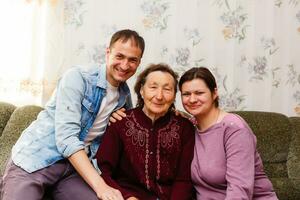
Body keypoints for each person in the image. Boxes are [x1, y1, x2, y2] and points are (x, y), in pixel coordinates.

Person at [1, 29, 145, 200]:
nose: (124, 65)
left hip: (74, 170)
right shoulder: (78, 78)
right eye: (119, 56)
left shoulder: (125, 96)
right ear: (108, 53)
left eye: (132, 60)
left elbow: (136, 128)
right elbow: (66, 138)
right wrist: (101, 187)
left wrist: (172, 112)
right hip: (37, 159)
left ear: (139, 63)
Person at [96, 63, 195, 200]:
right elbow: (103, 170)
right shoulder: (120, 123)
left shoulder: (185, 127)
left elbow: (184, 179)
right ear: (142, 90)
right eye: (153, 87)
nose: (159, 96)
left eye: (167, 89)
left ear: (174, 96)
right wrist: (126, 196)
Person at [178, 67, 278, 200]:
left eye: (199, 93)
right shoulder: (189, 128)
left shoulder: (234, 128)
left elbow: (239, 190)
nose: (192, 99)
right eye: (186, 94)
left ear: (214, 93)